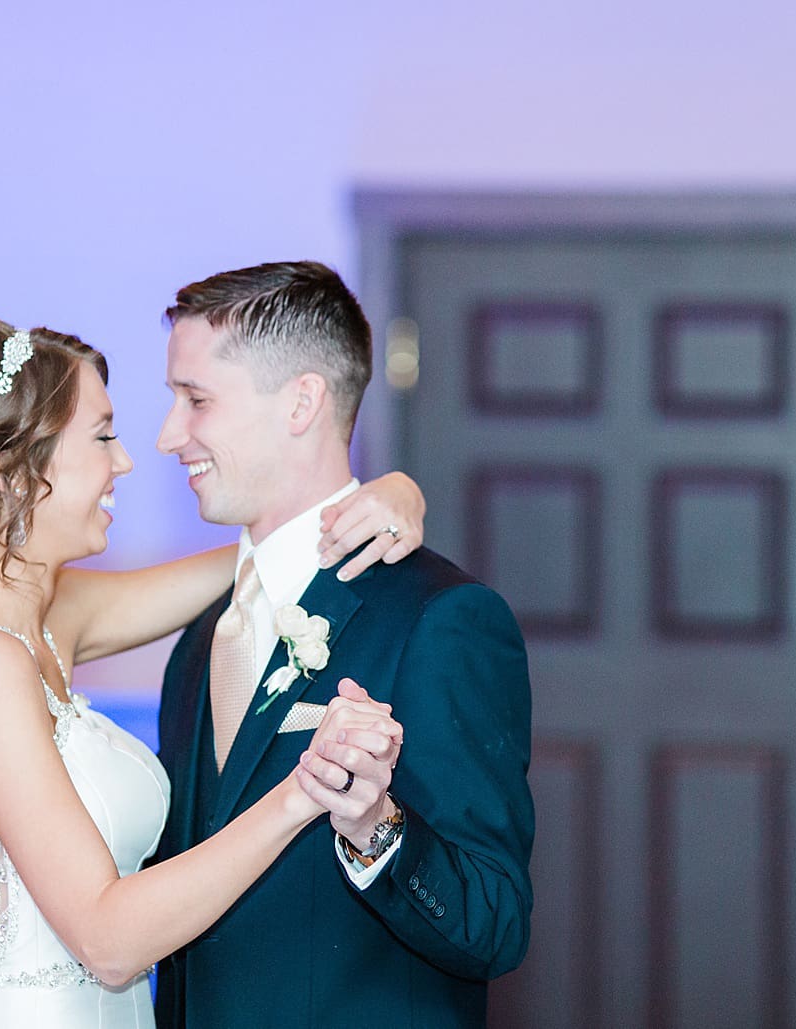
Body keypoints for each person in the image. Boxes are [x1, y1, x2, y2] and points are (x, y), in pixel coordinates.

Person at [0, 315, 424, 1027]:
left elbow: (253, 563)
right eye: (102, 435)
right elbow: (106, 942)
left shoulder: (44, 616)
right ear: (15, 469)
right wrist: (302, 791)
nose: (127, 460)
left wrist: (384, 497)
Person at [148, 262, 534, 1027]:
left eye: (195, 400)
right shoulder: (199, 640)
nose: (168, 436)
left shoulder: (441, 618)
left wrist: (373, 826)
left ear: (301, 401)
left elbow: (495, 922)